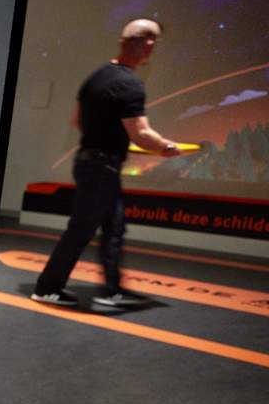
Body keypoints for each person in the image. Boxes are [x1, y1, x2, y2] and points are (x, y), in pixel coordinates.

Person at [31, 18, 182, 308]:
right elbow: (141, 134)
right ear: (146, 45)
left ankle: (112, 290)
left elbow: (76, 120)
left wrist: (105, 134)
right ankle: (47, 288)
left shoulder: (96, 78)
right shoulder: (130, 84)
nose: (152, 45)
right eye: (150, 40)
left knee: (114, 228)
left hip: (92, 164)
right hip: (102, 167)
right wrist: (166, 146)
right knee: (82, 229)